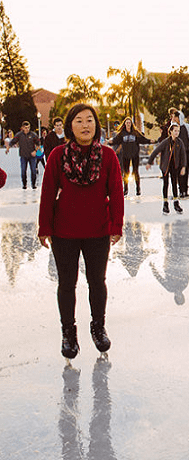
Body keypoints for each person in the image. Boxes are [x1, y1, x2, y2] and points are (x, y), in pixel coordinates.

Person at [38, 103, 124, 359]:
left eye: (90, 120)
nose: (86, 125)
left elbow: (116, 193)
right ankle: (69, 332)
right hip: (64, 232)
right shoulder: (56, 156)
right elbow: (47, 193)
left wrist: (116, 225)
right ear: (69, 126)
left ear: (96, 125)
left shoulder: (107, 156)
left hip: (98, 231)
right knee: (67, 284)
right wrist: (44, 227)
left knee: (97, 282)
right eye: (79, 120)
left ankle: (98, 327)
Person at [148, 123, 187, 214]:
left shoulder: (179, 142)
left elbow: (183, 155)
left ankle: (176, 203)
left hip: (175, 166)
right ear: (170, 132)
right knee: (166, 184)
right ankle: (165, 204)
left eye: (178, 131)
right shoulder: (166, 142)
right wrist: (150, 162)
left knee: (174, 183)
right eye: (175, 131)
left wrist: (183, 167)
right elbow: (156, 151)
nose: (177, 133)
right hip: (166, 166)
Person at [109, 117, 151, 196]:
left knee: (135, 172)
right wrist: (110, 142)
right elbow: (116, 140)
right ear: (125, 124)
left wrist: (149, 141)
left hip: (135, 154)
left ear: (131, 124)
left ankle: (138, 188)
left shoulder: (135, 133)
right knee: (126, 172)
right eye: (127, 123)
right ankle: (126, 189)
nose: (128, 124)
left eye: (129, 123)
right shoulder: (122, 133)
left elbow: (142, 139)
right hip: (125, 155)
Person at [158, 108, 189, 196]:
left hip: (186, 152)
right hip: (176, 154)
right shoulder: (173, 127)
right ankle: (181, 189)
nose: (175, 118)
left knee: (185, 171)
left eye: (176, 117)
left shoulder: (186, 127)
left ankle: (185, 189)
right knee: (178, 172)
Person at [7, 121, 40, 189]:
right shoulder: (19, 135)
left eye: (28, 127)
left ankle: (33, 184)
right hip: (23, 156)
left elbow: (39, 143)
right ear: (22, 128)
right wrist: (8, 148)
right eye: (25, 128)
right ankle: (24, 184)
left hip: (32, 156)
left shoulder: (33, 135)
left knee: (33, 170)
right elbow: (13, 141)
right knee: (23, 171)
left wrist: (35, 151)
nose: (27, 129)